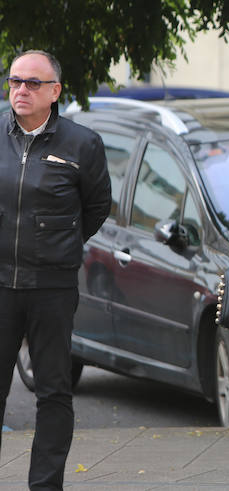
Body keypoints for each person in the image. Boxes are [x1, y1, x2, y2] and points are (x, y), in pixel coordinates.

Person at [0, 50, 112, 490]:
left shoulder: (82, 144)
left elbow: (97, 207)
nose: (21, 90)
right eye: (14, 82)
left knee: (52, 392)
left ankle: (44, 485)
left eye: (31, 83)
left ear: (54, 92)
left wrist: (58, 241)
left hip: (51, 286)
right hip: (0, 282)